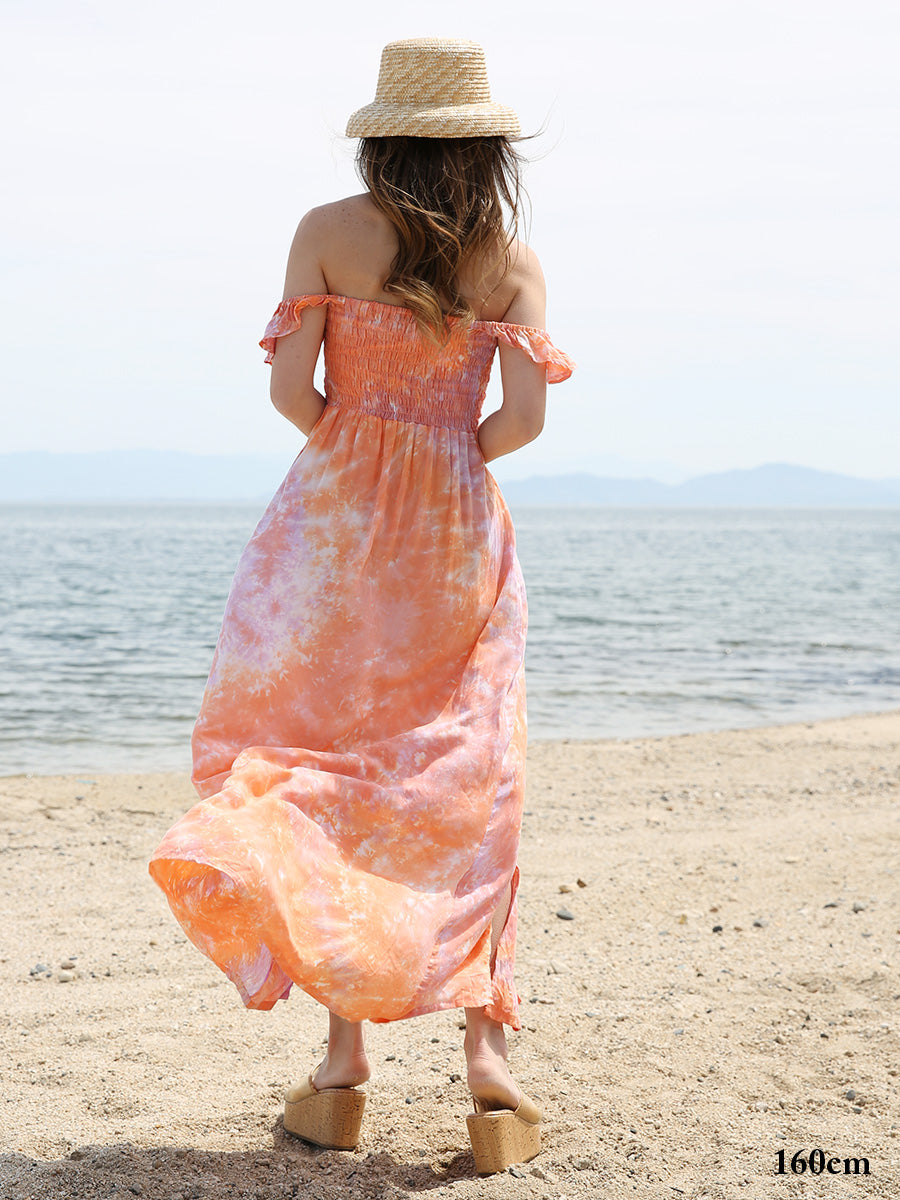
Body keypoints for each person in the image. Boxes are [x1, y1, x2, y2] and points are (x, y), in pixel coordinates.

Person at [149, 36, 574, 1175]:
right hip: (456, 533)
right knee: (470, 778)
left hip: (331, 530)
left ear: (382, 136)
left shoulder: (327, 232)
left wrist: (358, 451)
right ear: (485, 147)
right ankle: (489, 1067)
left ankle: (342, 1067)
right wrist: (444, 454)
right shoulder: (511, 261)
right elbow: (524, 421)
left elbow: (292, 389)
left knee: (332, 767)